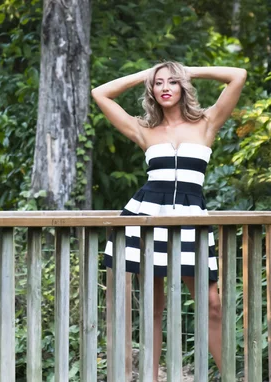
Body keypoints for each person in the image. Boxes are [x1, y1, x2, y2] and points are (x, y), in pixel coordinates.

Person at [91, 61, 247, 380]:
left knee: (212, 304)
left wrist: (189, 69)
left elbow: (238, 76)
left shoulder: (207, 122)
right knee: (153, 307)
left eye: (172, 82)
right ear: (151, 89)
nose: (165, 87)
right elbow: (100, 93)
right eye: (159, 82)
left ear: (182, 87)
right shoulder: (143, 129)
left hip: (192, 218)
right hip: (146, 216)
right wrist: (146, 74)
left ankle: (230, 376)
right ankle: (151, 377)